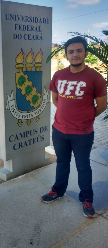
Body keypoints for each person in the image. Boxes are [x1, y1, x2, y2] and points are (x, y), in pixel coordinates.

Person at [41, 36, 107, 217]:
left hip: (83, 133)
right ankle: (57, 191)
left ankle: (87, 199)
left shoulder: (95, 77)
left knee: (83, 166)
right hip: (59, 130)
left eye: (79, 51)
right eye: (71, 51)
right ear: (66, 55)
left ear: (85, 52)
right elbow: (55, 99)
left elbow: (102, 104)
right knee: (62, 163)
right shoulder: (59, 75)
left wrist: (85, 117)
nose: (75, 54)